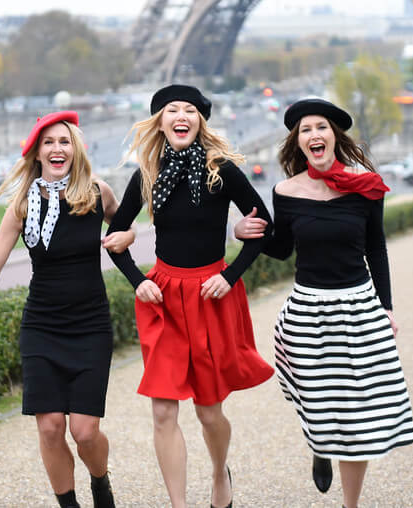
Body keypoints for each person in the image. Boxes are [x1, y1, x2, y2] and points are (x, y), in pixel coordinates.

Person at [0, 111, 135, 508]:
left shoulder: (99, 193)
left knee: (84, 432)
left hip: (90, 324)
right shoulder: (22, 205)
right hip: (42, 325)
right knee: (49, 428)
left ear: (76, 148)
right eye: (48, 142)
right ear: (36, 152)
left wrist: (128, 234)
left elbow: (126, 231)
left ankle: (100, 482)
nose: (57, 148)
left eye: (64, 141)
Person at [105, 84, 274, 508]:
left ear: (200, 121)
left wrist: (231, 275)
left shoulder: (222, 170)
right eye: (171, 110)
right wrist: (136, 279)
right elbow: (114, 237)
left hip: (211, 296)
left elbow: (262, 226)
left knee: (209, 412)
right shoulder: (147, 175)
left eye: (190, 111)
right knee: (163, 411)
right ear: (159, 122)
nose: (181, 116)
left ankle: (220, 475)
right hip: (162, 298)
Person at [256, 98, 413, 508]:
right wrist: (249, 234)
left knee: (359, 416)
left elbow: (376, 249)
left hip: (358, 306)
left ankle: (350, 505)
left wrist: (387, 307)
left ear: (334, 136)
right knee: (319, 400)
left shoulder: (366, 186)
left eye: (321, 127)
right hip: (308, 310)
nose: (314, 135)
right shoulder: (286, 192)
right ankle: (321, 443)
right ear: (298, 140)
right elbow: (282, 248)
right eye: (305, 129)